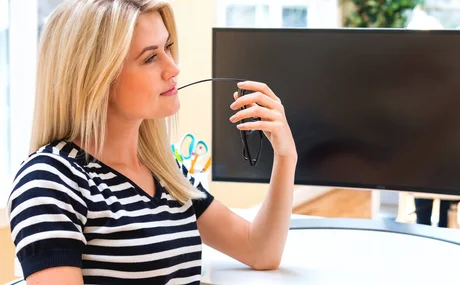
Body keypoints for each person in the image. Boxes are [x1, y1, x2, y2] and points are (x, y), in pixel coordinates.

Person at [6, 0, 297, 284]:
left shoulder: (164, 172)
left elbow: (260, 251)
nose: (173, 69)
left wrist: (286, 156)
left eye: (167, 47)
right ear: (97, 79)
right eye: (150, 57)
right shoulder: (49, 180)